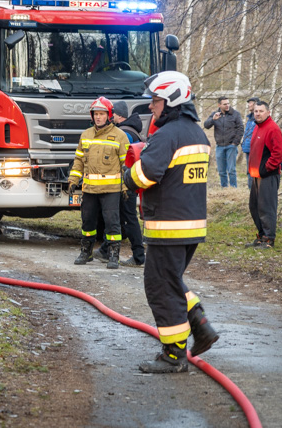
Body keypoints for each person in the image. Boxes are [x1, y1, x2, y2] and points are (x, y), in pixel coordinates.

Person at [123, 71, 219, 373]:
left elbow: (146, 175)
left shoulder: (167, 134)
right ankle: (200, 324)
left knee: (160, 286)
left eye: (156, 101)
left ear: (172, 101)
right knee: (172, 278)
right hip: (192, 225)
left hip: (167, 225)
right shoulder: (196, 133)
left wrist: (128, 174)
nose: (152, 107)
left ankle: (174, 355)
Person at [69, 97, 129, 269]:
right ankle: (86, 252)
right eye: (96, 114)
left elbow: (126, 165)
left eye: (102, 114)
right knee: (87, 221)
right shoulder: (86, 135)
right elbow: (79, 161)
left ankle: (113, 255)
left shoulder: (120, 136)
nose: (98, 117)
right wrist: (73, 179)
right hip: (89, 189)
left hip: (111, 190)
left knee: (112, 222)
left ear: (109, 115)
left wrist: (126, 188)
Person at [93, 100, 146, 268]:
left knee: (127, 218)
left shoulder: (123, 133)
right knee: (120, 218)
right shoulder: (132, 131)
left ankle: (138, 256)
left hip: (124, 183)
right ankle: (105, 250)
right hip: (130, 181)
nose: (109, 117)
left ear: (117, 115)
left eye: (111, 114)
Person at [245, 101, 282, 249]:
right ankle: (261, 236)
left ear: (268, 112)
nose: (258, 113)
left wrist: (266, 169)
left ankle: (269, 239)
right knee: (254, 207)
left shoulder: (272, 129)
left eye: (261, 111)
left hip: (267, 175)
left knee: (266, 208)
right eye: (256, 111)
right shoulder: (257, 127)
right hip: (256, 176)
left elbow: (278, 154)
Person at [202, 96, 244, 188]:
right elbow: (206, 125)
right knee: (221, 171)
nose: (227, 105)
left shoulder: (235, 114)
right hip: (219, 146)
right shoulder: (215, 114)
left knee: (231, 170)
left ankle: (233, 188)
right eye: (225, 104)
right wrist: (213, 119)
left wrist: (235, 143)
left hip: (231, 146)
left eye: (228, 103)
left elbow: (240, 129)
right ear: (219, 105)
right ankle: (224, 188)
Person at [241, 97, 259, 189]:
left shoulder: (258, 118)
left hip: (255, 149)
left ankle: (255, 191)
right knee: (249, 171)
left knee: (255, 171)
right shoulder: (249, 118)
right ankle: (250, 191)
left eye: (250, 103)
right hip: (248, 148)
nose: (248, 105)